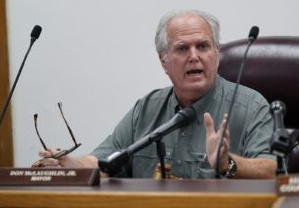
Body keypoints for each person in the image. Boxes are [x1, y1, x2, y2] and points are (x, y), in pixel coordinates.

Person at [37, 10, 277, 179]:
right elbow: (103, 161)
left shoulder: (251, 106)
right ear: (164, 62)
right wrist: (71, 165)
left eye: (203, 46)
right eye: (182, 48)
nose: (194, 56)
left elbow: (271, 170)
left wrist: (227, 164)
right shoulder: (147, 108)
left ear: (216, 54)